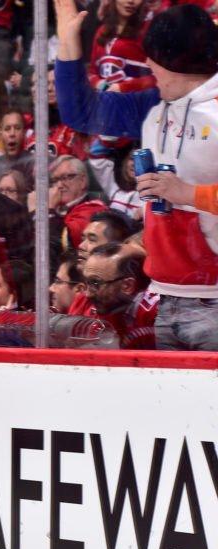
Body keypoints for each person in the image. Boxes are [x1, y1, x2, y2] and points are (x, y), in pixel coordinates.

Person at [54, 0, 218, 350]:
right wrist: (68, 44)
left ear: (172, 60)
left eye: (152, 57)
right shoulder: (154, 104)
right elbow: (82, 113)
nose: (147, 65)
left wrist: (189, 195)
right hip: (165, 296)